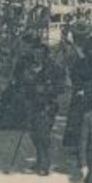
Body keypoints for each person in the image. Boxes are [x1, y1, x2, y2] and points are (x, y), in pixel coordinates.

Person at [15, 42, 67, 174]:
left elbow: (61, 87)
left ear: (45, 55)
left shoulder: (54, 69)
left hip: (47, 106)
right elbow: (22, 84)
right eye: (35, 54)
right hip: (32, 105)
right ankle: (39, 161)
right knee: (34, 134)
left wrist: (46, 90)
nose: (37, 57)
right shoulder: (30, 68)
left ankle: (45, 164)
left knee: (43, 135)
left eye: (40, 54)